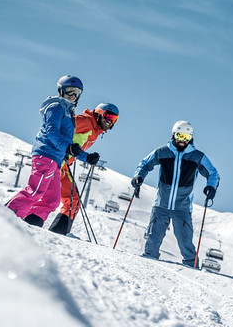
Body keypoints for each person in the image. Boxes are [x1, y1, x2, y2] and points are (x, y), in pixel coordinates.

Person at [6, 76, 99, 227]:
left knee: (52, 199)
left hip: (55, 160)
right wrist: (68, 148)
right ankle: (6, 217)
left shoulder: (68, 112)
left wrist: (86, 157)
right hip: (46, 155)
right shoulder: (56, 107)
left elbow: (69, 144)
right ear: (61, 91)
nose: (72, 96)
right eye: (69, 91)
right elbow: (51, 132)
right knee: (35, 191)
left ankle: (31, 223)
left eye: (76, 93)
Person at [131, 120, 220, 266]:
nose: (182, 140)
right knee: (153, 239)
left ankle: (191, 268)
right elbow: (144, 164)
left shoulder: (197, 156)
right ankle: (148, 264)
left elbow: (213, 173)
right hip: (161, 204)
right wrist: (138, 176)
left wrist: (211, 187)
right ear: (173, 135)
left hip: (182, 207)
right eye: (180, 136)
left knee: (186, 242)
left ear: (191, 137)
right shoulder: (162, 152)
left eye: (186, 137)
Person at [47, 102, 118, 235]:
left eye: (114, 119)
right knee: (46, 197)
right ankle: (17, 221)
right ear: (99, 113)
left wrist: (87, 157)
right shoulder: (85, 121)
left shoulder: (95, 130)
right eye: (108, 116)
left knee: (73, 201)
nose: (110, 121)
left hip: (64, 168)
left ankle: (57, 234)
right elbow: (57, 130)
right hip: (55, 162)